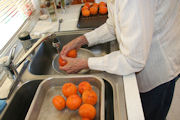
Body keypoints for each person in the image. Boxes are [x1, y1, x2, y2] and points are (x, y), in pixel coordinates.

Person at [59, 0, 180, 119]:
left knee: (150, 114)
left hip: (159, 66)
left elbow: (133, 60)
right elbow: (113, 25)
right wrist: (82, 40)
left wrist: (85, 63)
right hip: (144, 54)